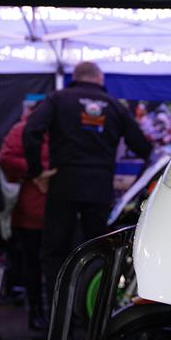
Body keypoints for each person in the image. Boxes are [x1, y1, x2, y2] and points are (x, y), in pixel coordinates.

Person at [23, 62, 151, 308]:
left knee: (55, 253)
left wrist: (36, 172)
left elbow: (31, 131)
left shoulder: (58, 99)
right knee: (97, 251)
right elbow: (144, 148)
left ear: (76, 77)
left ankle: (57, 317)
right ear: (98, 78)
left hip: (63, 183)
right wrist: (135, 183)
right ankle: (92, 315)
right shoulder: (114, 105)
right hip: (99, 187)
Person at [0, 97, 50, 331]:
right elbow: (6, 159)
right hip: (31, 209)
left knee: (54, 264)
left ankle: (56, 312)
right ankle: (36, 312)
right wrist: (38, 171)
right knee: (33, 264)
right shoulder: (22, 129)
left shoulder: (60, 129)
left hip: (59, 209)